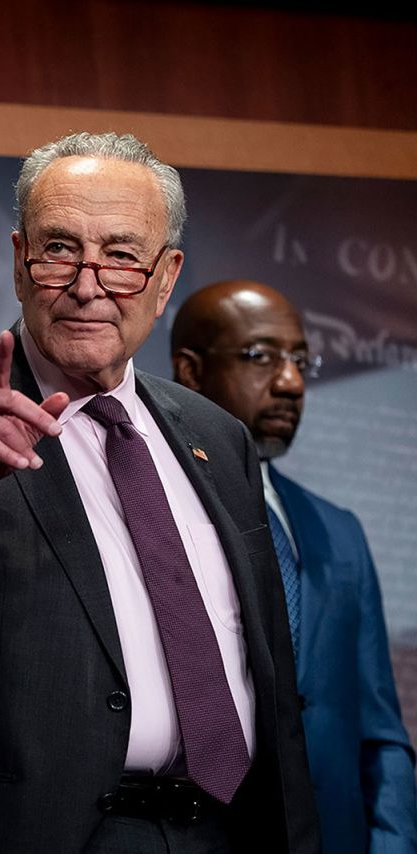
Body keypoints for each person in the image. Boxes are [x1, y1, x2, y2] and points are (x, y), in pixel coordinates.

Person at [0, 132, 319, 853]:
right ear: (21, 263)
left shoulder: (220, 438)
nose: (88, 285)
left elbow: (271, 690)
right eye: (59, 250)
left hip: (224, 834)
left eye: (121, 255)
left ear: (165, 275)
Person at [172, 279, 417, 854]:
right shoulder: (154, 512)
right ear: (190, 370)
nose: (291, 383)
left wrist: (394, 843)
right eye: (261, 357)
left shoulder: (339, 531)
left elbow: (379, 729)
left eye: (301, 361)